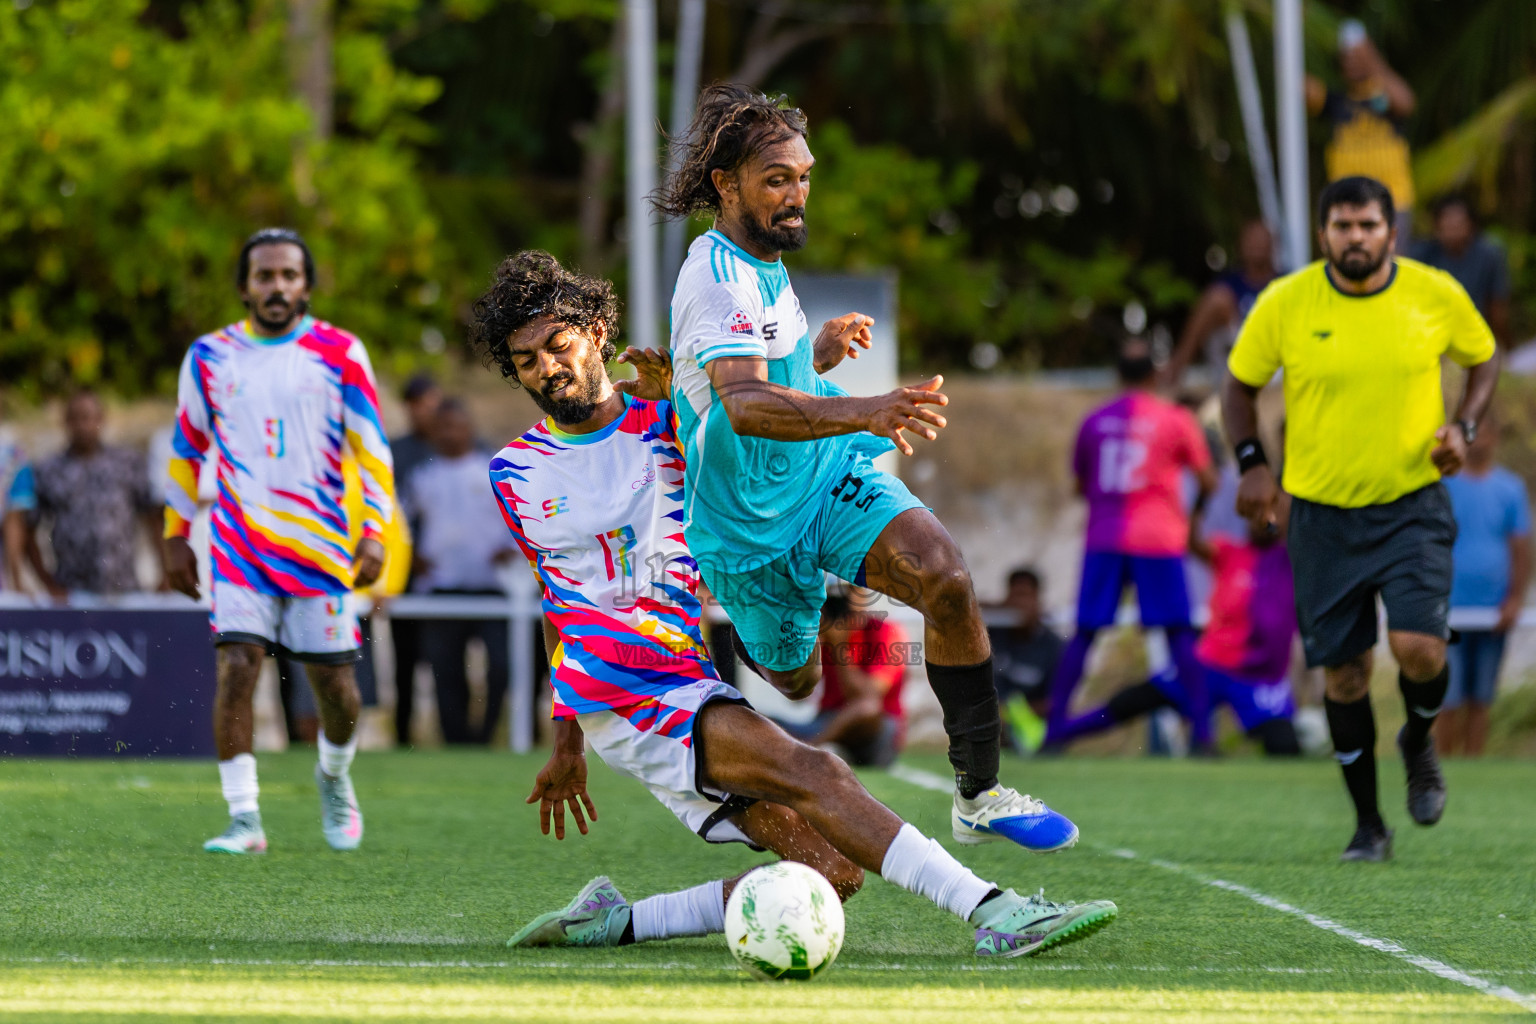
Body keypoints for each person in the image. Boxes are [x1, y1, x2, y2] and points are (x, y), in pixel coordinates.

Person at [471, 251, 1116, 959]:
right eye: (525, 360)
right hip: (622, 689)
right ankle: (996, 912)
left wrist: (813, 359)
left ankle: (615, 920)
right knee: (818, 772)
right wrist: (567, 740)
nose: (545, 369)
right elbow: (556, 600)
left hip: (685, 676)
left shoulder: (671, 422)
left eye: (556, 346)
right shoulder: (514, 473)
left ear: (596, 332)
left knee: (828, 874)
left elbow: (749, 412)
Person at [653, 83, 1075, 853]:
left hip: (822, 474)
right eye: (777, 179)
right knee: (797, 681)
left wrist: (817, 356)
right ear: (726, 185)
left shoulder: (762, 260)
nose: (797, 195)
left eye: (804, 176)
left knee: (943, 574)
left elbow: (760, 370)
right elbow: (744, 404)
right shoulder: (714, 278)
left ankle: (979, 792)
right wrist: (867, 408)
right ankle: (771, 628)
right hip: (749, 529)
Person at [1222, 176, 1499, 861]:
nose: (1355, 237)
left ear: (1390, 233)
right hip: (1319, 516)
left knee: (1419, 650)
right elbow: (1239, 386)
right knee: (1344, 677)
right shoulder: (1286, 302)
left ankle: (1418, 735)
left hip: (1412, 506)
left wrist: (1463, 425)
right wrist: (1253, 462)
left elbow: (1483, 356)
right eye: (1342, 226)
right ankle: (1369, 826)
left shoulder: (1434, 292)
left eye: (1367, 225)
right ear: (1324, 235)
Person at [163, 227, 394, 855]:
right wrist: (174, 534)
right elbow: (187, 450)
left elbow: (370, 449)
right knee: (237, 669)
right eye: (264, 276)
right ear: (244, 287)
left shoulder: (340, 352)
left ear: (307, 286)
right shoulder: (209, 357)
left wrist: (374, 531)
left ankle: (334, 776)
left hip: (322, 552)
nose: (277, 286)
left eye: (289, 275)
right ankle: (245, 820)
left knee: (337, 692)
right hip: (238, 548)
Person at [1043, 338, 1218, 752]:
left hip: (1105, 538)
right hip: (1158, 539)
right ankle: (1203, 735)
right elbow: (1209, 480)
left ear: (1118, 374)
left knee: (1086, 632)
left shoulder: (1094, 420)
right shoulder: (1175, 420)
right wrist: (1192, 517)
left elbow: (1081, 486)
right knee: (1178, 632)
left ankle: (1053, 733)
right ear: (1155, 374)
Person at [1047, 495, 1302, 757]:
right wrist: (1201, 500)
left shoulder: (1292, 560)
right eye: (1255, 516)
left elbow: (1304, 531)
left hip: (1259, 678)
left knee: (1284, 746)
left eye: (1269, 515)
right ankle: (1056, 735)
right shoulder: (1229, 552)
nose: (1261, 522)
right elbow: (1192, 541)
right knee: (1131, 701)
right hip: (1210, 665)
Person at [401, 397, 515, 745]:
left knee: (500, 666)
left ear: (470, 429)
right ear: (433, 433)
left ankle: (485, 736)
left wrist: (510, 550)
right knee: (445, 670)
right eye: (442, 428)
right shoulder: (422, 476)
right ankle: (456, 741)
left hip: (493, 587)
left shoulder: (493, 470)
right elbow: (397, 523)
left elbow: (521, 520)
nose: (449, 434)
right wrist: (412, 556)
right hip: (440, 588)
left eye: (456, 426)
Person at [9, 390, 162, 597]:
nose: (83, 426)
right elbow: (27, 529)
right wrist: (47, 582)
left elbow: (153, 518)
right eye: (76, 418)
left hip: (124, 589)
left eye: (89, 418)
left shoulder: (127, 463)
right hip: (72, 592)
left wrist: (166, 572)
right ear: (66, 422)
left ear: (101, 420)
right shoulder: (48, 470)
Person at [1439, 411, 1531, 757]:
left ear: (1496, 439)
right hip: (1449, 608)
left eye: (1488, 434)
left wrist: (1514, 598)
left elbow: (1520, 548)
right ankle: (1442, 767)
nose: (1481, 441)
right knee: (1447, 696)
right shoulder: (1444, 486)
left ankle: (1474, 764)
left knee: (1481, 697)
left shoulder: (1510, 488)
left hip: (1493, 611)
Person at [1306, 22, 1417, 251]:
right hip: (1345, 203)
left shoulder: (1387, 97)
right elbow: (1302, 87)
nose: (1354, 62)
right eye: (1348, 57)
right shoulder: (1335, 101)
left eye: (1359, 57)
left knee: (1392, 267)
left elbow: (1407, 103)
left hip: (1394, 200)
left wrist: (1371, 58)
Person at [772, 590, 910, 768]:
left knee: (866, 708)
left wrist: (839, 649)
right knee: (762, 719)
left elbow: (868, 697)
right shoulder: (822, 638)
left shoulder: (884, 632)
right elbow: (797, 697)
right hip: (827, 721)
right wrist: (809, 644)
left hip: (875, 731)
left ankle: (809, 750)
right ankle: (819, 747)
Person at [387, 374, 441, 746]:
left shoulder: (461, 444)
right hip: (404, 573)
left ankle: (454, 741)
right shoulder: (394, 452)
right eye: (419, 403)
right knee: (404, 662)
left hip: (444, 573)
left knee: (444, 660)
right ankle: (403, 737)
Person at [1164, 220, 1277, 388]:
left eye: (1261, 240)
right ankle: (1176, 369)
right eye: (1252, 240)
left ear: (1273, 245)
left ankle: (1173, 371)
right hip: (1235, 346)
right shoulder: (1228, 282)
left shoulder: (1285, 281)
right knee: (1217, 299)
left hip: (1272, 348)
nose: (1257, 245)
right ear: (1241, 245)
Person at [1411, 195, 1513, 351]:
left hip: (1474, 332)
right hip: (1432, 333)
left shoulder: (1488, 254)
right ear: (1436, 226)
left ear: (1471, 225)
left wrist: (1502, 345)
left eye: (1458, 224)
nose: (1452, 230)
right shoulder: (1422, 254)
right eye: (1447, 224)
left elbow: (1496, 307)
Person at [987, 567, 1062, 754]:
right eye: (1015, 596)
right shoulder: (991, 636)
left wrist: (1012, 714)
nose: (1020, 603)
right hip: (995, 731)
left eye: (1025, 596)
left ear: (1037, 599)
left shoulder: (1054, 646)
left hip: (1036, 734)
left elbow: (1058, 702)